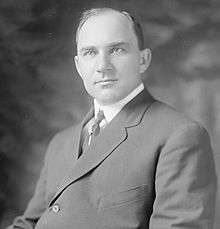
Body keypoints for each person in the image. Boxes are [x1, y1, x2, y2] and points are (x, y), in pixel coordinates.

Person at [7, 7, 217, 229]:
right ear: (79, 66)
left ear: (143, 59)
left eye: (117, 50)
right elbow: (30, 224)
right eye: (90, 52)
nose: (102, 66)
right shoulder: (60, 142)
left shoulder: (179, 136)